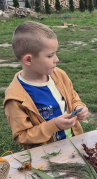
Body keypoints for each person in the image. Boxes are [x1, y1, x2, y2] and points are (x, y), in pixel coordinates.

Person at [3, 21, 88, 149]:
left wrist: (79, 106)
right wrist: (54, 125)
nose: (57, 59)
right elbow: (22, 135)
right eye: (50, 55)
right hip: (45, 156)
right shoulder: (15, 97)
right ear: (29, 60)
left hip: (74, 143)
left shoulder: (59, 75)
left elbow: (73, 97)